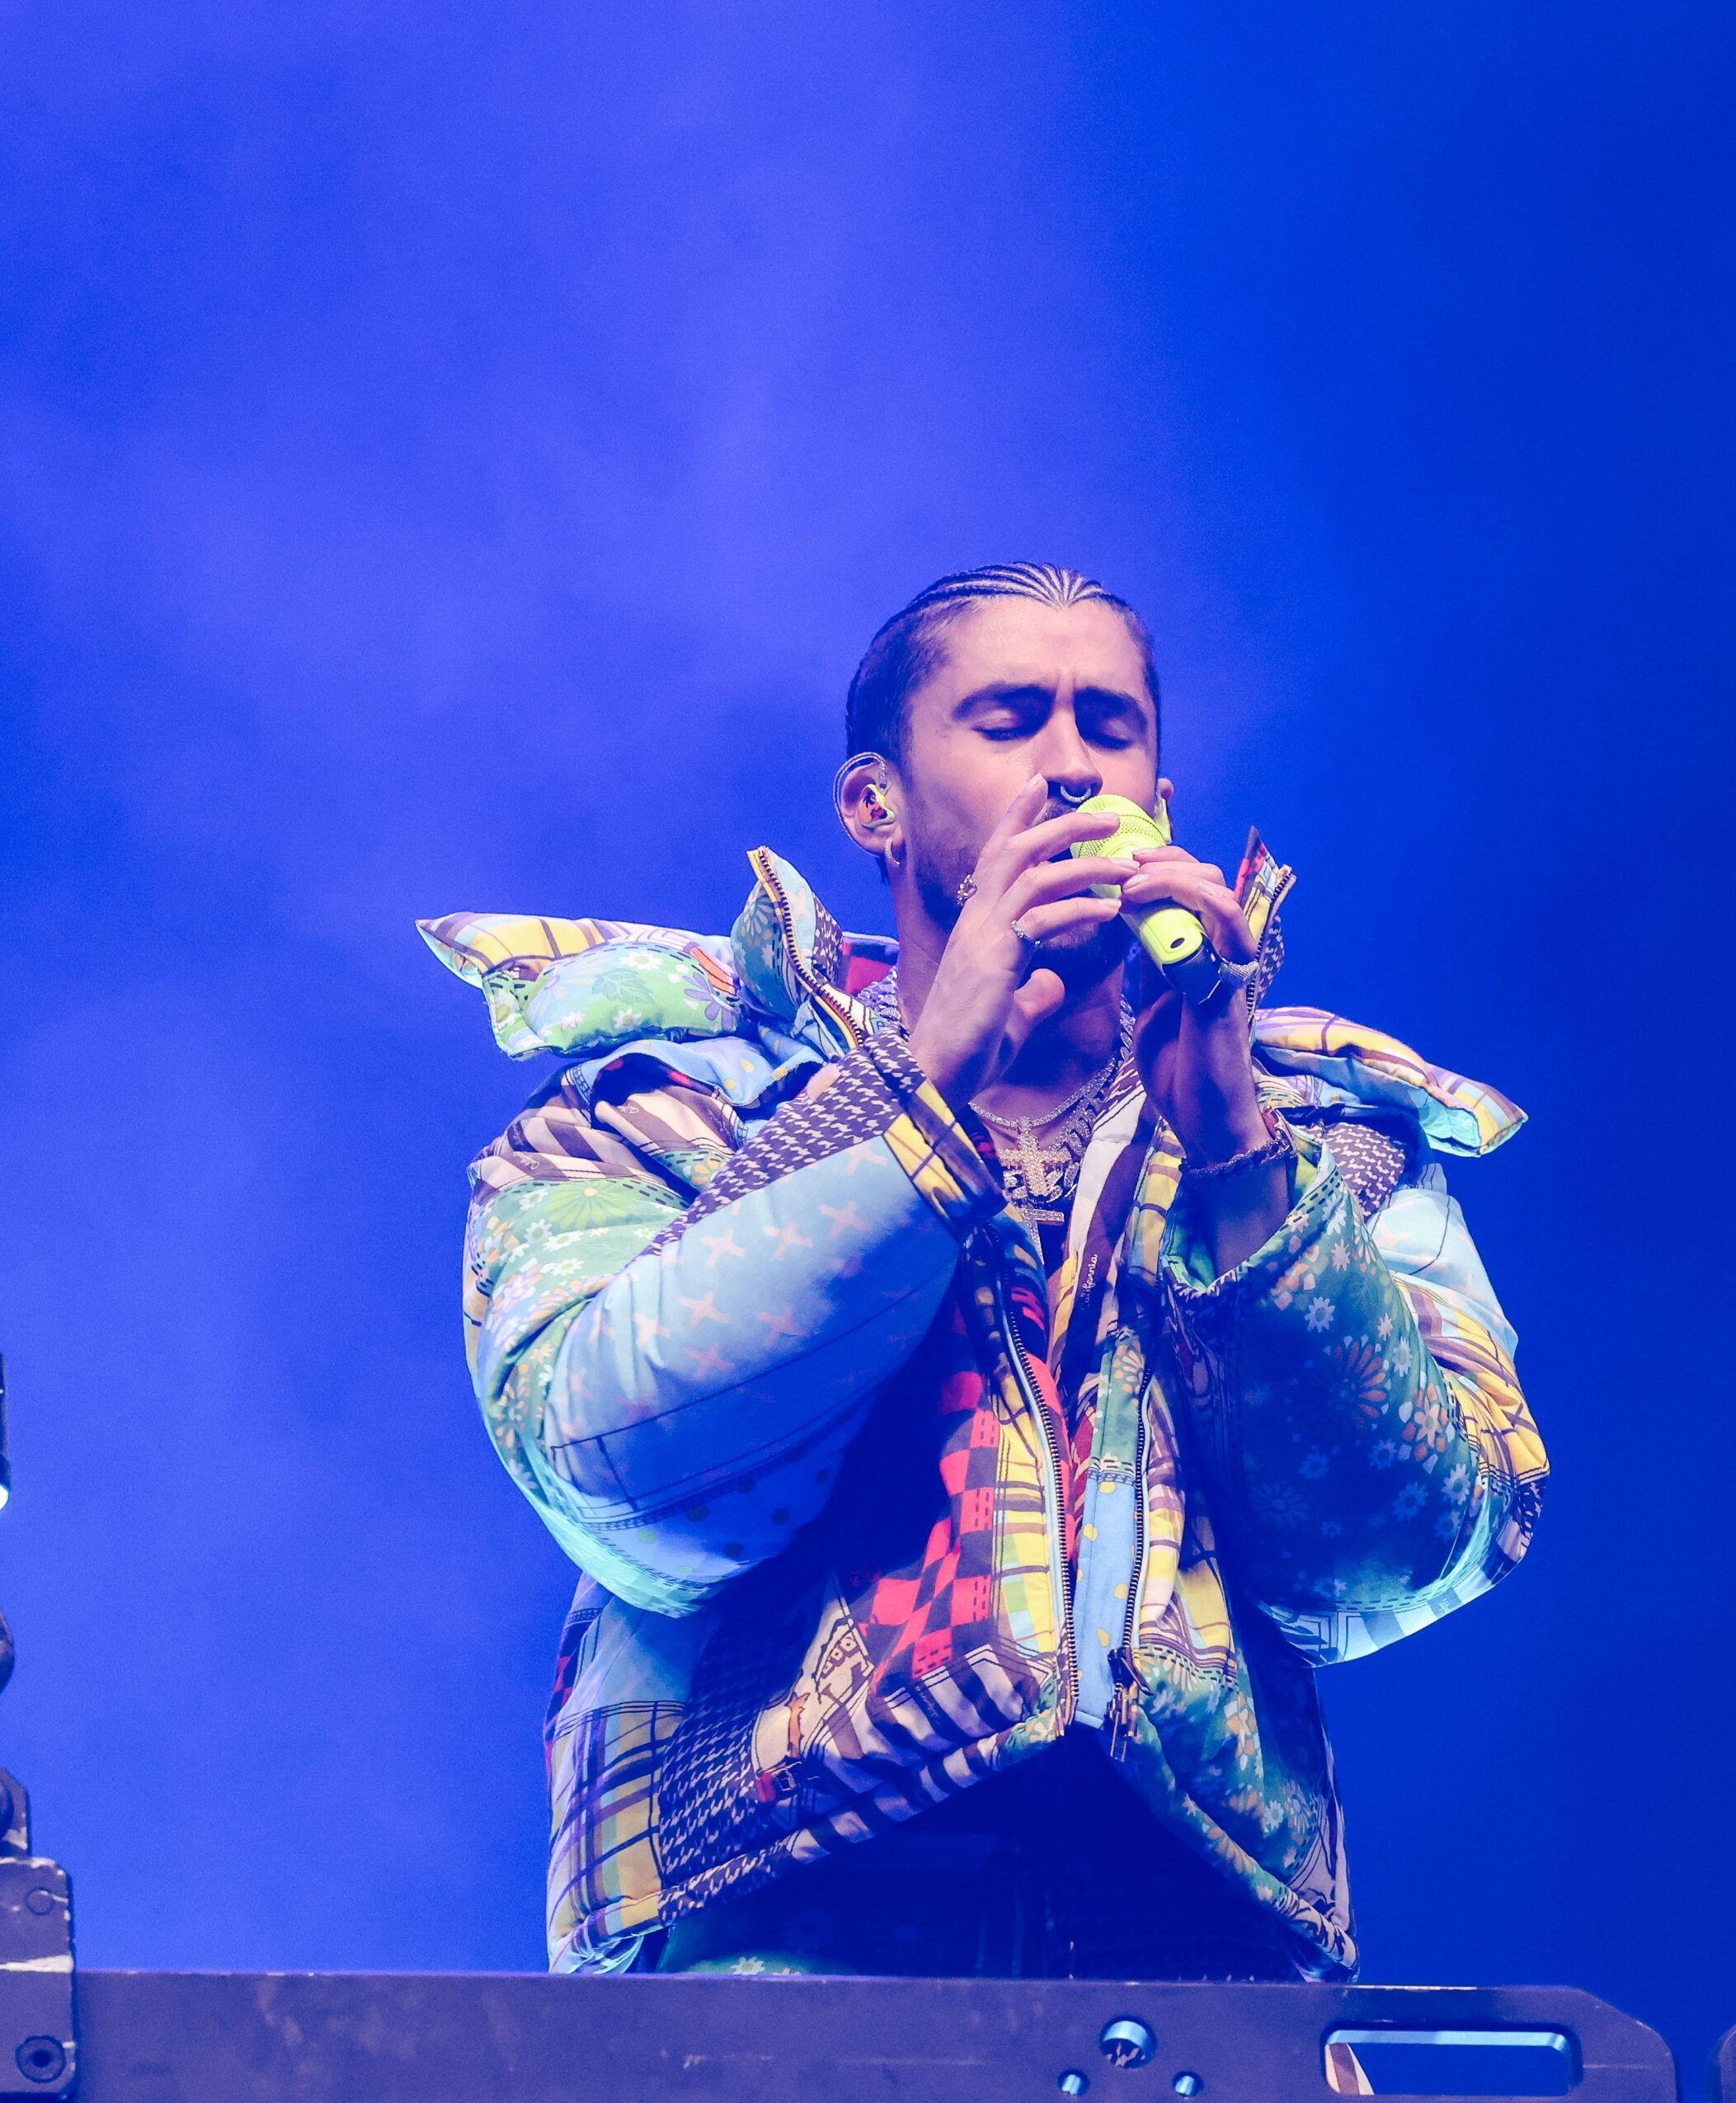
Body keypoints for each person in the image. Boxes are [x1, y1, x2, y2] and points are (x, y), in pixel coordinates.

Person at [421, 562, 1545, 1983]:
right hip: (766, 1962)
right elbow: (619, 1478)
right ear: (873, 805)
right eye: (1010, 721)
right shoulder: (665, 1109)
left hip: (1191, 1967)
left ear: (1160, 798)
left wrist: (1237, 1159)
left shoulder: (1328, 1139)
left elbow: (1402, 1554)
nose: (1072, 765)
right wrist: (917, 1089)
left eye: (1110, 726)